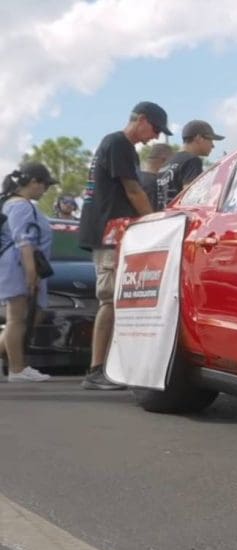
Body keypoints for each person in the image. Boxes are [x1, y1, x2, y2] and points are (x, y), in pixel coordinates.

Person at [78, 101, 170, 391]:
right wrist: (156, 222)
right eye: (154, 128)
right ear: (141, 120)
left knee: (117, 301)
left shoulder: (115, 144)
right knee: (110, 301)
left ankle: (108, 367)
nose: (154, 137)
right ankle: (96, 370)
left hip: (109, 232)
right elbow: (133, 189)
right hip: (109, 233)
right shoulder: (119, 143)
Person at [0, 162, 58, 382]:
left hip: (16, 265)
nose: (45, 190)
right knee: (17, 319)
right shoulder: (21, 206)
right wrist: (31, 273)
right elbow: (24, 241)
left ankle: (18, 366)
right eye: (45, 185)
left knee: (27, 317)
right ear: (33, 182)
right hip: (17, 265)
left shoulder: (12, 203)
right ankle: (17, 369)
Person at [156, 120, 223, 209]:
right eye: (210, 140)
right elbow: (192, 200)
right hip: (179, 219)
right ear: (198, 138)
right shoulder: (192, 161)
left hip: (165, 218)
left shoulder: (167, 163)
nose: (213, 145)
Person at [139, 142, 174, 210]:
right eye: (171, 161)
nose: (171, 165)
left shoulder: (137, 178)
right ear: (164, 160)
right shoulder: (152, 182)